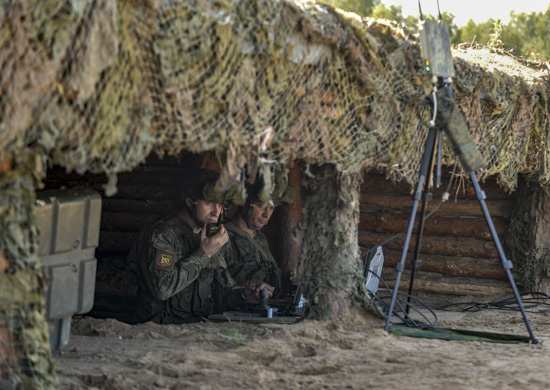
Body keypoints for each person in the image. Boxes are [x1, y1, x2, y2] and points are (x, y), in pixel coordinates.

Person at [126, 169, 273, 324]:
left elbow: (222, 292)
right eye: (209, 203)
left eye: (221, 205)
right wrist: (204, 253)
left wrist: (243, 294)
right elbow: (162, 289)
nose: (217, 212)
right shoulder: (161, 234)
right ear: (190, 201)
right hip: (159, 327)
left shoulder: (210, 236)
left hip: (197, 326)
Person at [222, 179, 296, 299]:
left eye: (271, 208)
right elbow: (216, 291)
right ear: (244, 203)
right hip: (235, 314)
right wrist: (243, 294)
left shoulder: (260, 238)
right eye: (261, 206)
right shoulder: (223, 236)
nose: (266, 214)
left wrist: (290, 283)